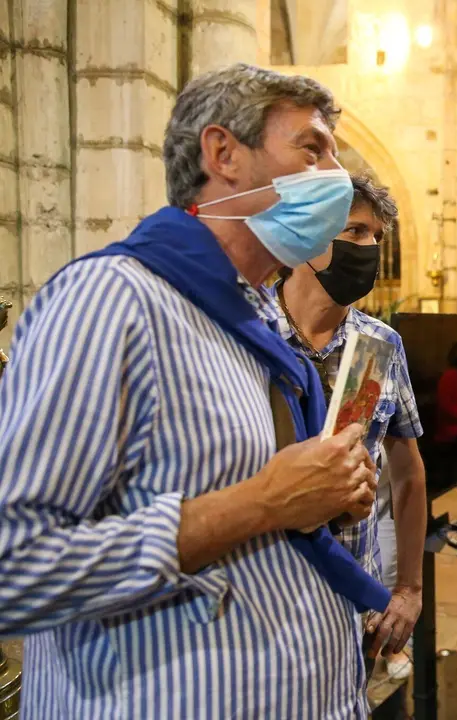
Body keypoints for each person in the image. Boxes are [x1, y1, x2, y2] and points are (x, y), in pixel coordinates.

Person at [0, 63, 391, 719]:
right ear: (223, 153)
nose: (336, 177)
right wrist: (261, 503)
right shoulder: (111, 300)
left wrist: (329, 492)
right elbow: (15, 568)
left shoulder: (255, 318)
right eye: (313, 148)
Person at [271, 174, 427, 672]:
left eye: (378, 238)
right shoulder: (252, 332)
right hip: (263, 602)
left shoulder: (378, 346)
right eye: (357, 232)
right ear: (307, 235)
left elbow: (407, 472)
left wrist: (408, 588)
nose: (371, 249)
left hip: (350, 605)